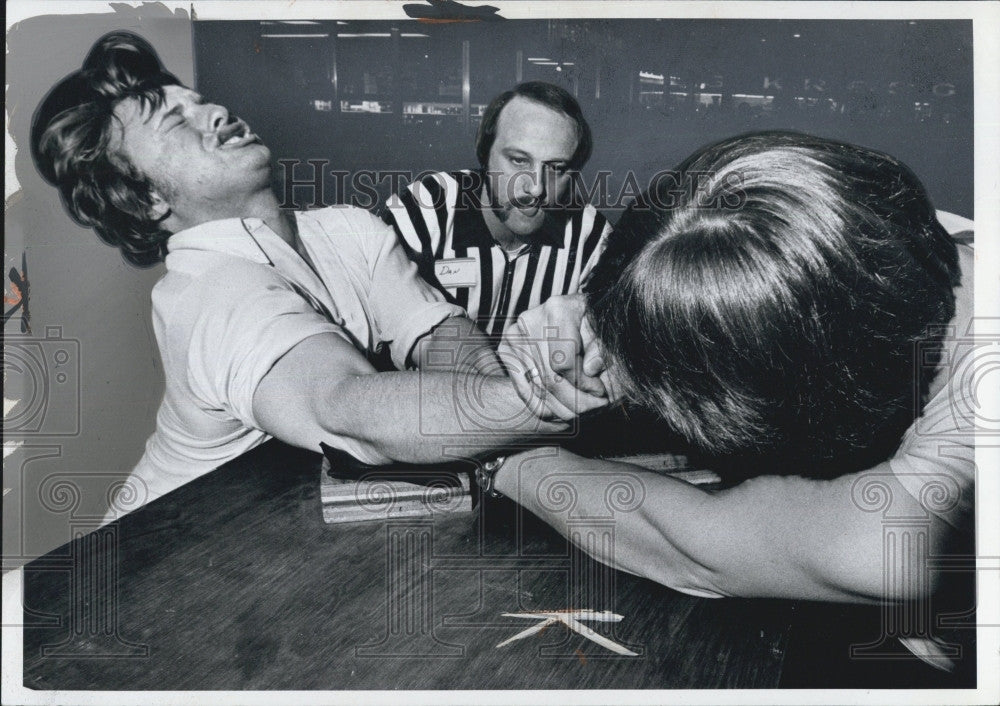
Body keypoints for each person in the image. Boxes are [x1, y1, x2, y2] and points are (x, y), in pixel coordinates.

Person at [31, 32, 599, 516]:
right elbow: (350, 411)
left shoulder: (346, 228)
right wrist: (542, 399)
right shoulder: (209, 293)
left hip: (263, 532)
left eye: (200, 101)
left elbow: (438, 333)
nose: (218, 115)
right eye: (178, 123)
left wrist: (493, 399)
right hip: (154, 556)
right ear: (147, 198)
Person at [493, 131, 973, 608]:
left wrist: (505, 464)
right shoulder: (892, 236)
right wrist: (630, 305)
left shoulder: (903, 529)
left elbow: (706, 548)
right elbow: (778, 244)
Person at [380, 81, 612, 340]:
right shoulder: (423, 211)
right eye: (519, 160)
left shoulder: (591, 239)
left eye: (556, 168)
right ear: (484, 154)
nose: (535, 188)